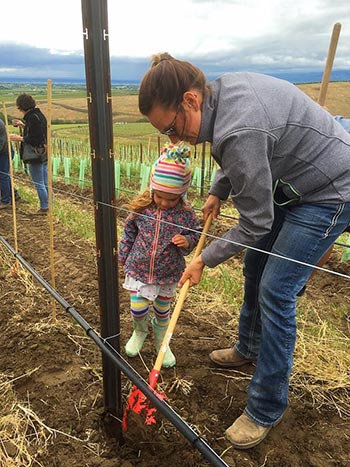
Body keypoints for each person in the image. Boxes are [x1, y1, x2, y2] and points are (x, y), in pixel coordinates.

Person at [138, 53, 350, 448]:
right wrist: (220, 189)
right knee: (254, 265)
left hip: (331, 188)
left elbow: (256, 220)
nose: (175, 140)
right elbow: (238, 148)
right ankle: (248, 347)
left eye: (172, 128)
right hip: (293, 180)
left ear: (191, 100)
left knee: (276, 289)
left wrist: (204, 258)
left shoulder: (239, 127)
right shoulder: (221, 94)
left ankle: (265, 407)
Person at [118, 143, 201, 368]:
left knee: (163, 312)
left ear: (181, 195)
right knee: (138, 308)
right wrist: (123, 255)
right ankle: (139, 331)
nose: (164, 202)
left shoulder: (185, 215)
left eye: (171, 199)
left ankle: (160, 339)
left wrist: (187, 242)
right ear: (152, 189)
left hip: (168, 272)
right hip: (139, 268)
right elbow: (129, 232)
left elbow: (195, 235)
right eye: (160, 196)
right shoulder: (142, 209)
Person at [10, 94, 48, 215]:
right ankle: (48, 205)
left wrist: (19, 138)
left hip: (35, 155)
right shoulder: (38, 115)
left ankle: (44, 207)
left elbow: (35, 139)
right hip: (43, 153)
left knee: (39, 183)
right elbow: (39, 132)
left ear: (22, 106)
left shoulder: (33, 118)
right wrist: (23, 125)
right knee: (45, 182)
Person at [0, 114, 21, 209]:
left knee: (3, 176)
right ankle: (14, 194)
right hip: (3, 151)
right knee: (4, 175)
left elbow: (2, 143)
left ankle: (5, 201)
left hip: (4, 152)